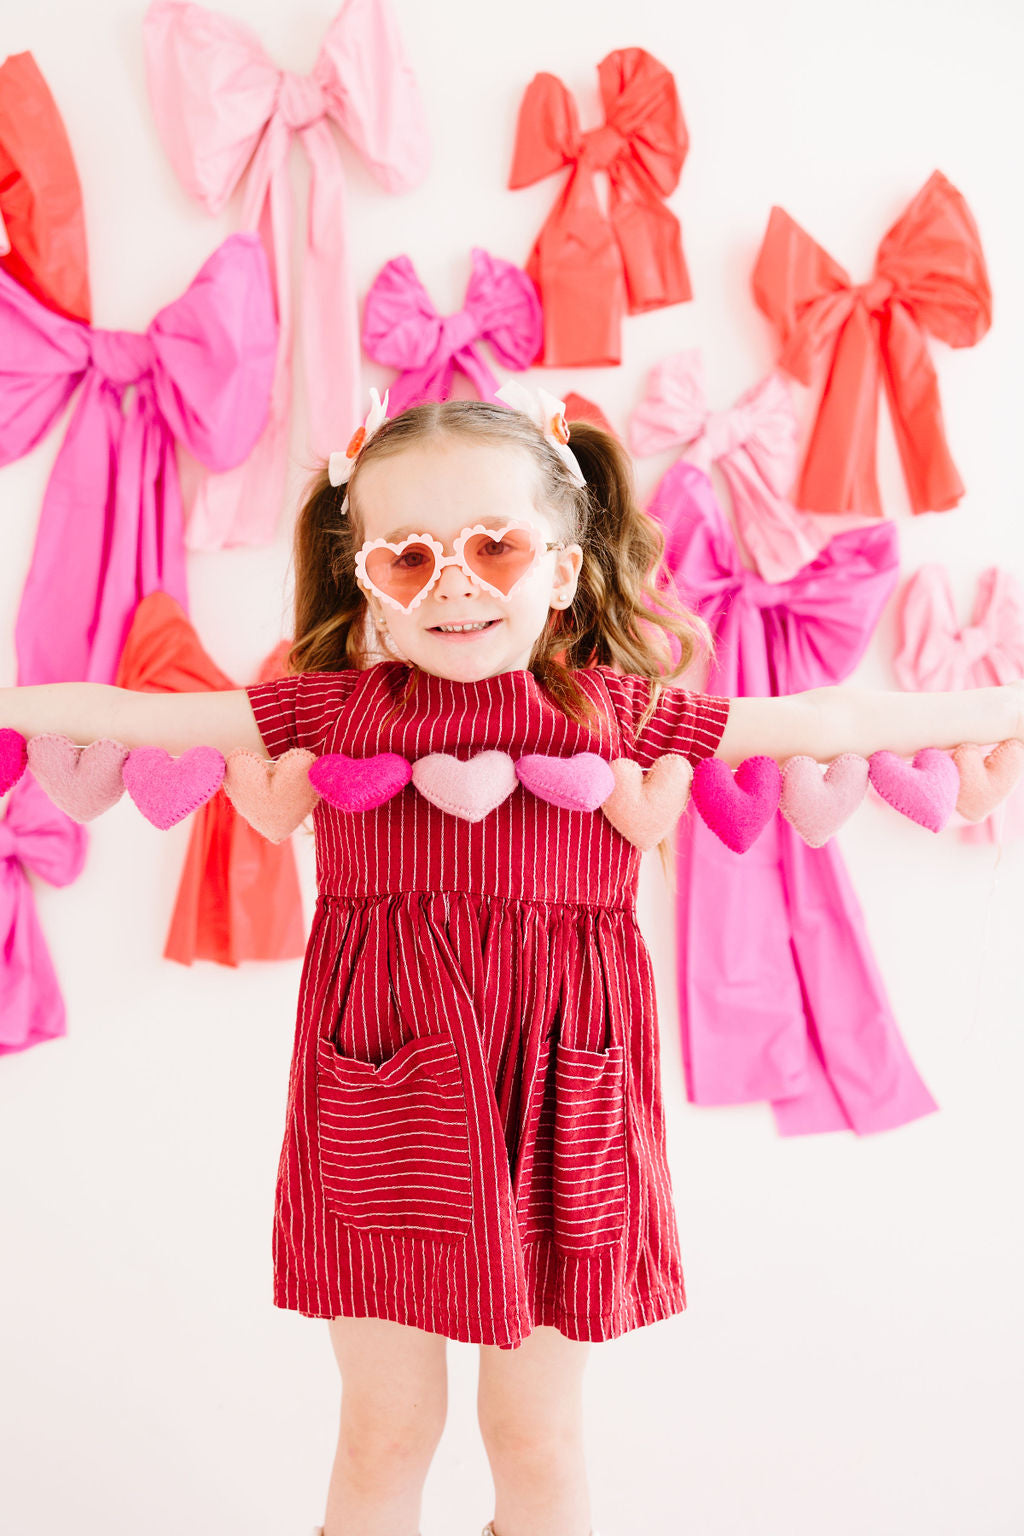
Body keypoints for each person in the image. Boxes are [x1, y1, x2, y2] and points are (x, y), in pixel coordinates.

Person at [2, 391, 1020, 1536]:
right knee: (383, 1433)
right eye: (408, 557)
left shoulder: (616, 718)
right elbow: (117, 712)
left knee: (535, 1439)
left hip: (563, 1094)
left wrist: (994, 711)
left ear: (569, 567)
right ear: (365, 577)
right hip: (379, 1087)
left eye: (494, 547)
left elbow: (817, 725)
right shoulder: (330, 716)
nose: (453, 584)